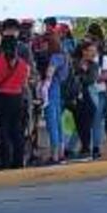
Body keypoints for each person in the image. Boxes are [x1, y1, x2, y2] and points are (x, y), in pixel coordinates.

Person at [0, 35, 30, 170]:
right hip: (17, 99)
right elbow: (24, 84)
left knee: (1, 132)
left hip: (1, 99)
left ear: (2, 48)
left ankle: (5, 162)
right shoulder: (23, 65)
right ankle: (18, 161)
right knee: (17, 132)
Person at [41, 33, 69, 164]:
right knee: (58, 122)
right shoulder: (64, 55)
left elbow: (49, 73)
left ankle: (54, 155)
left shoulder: (54, 57)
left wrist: (43, 85)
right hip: (58, 89)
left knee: (52, 122)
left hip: (51, 89)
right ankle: (61, 152)